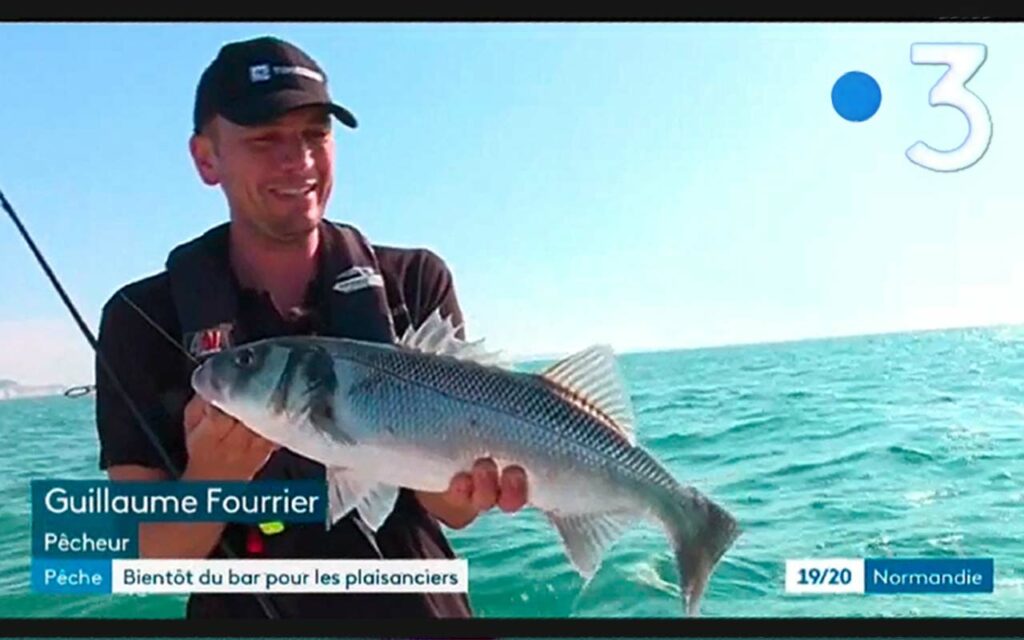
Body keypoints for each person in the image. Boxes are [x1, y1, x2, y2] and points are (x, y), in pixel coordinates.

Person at [94, 34, 528, 619]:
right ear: (206, 159)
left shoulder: (415, 279)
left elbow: (452, 511)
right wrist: (213, 477)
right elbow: (138, 559)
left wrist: (465, 486)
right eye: (264, 139)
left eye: (314, 135)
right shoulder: (139, 318)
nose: (296, 160)